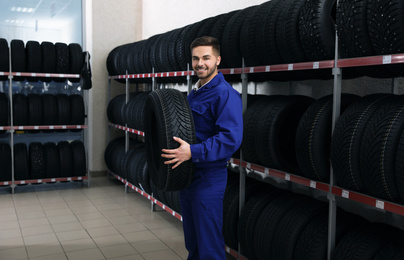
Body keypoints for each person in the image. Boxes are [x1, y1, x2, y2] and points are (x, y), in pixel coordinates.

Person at [161, 36, 243, 260]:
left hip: (208, 178)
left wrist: (193, 152)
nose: (200, 63)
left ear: (217, 59)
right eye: (195, 58)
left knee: (209, 245)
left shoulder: (225, 95)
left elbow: (230, 139)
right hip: (189, 176)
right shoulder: (195, 93)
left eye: (206, 58)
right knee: (194, 241)